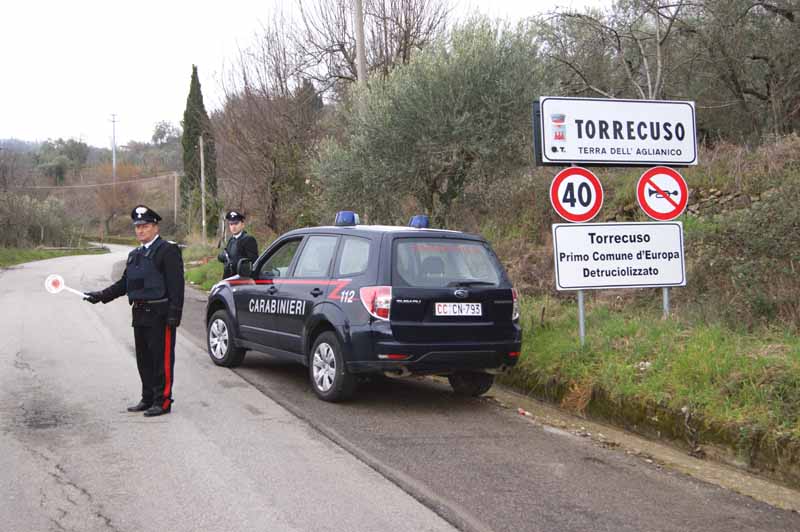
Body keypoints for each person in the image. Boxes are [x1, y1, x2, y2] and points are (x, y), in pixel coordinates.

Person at [84, 205, 184, 417]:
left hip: (160, 314)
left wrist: (174, 313)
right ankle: (147, 398)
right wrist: (101, 296)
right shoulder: (135, 255)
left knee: (161, 360)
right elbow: (125, 284)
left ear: (155, 227)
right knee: (144, 360)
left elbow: (177, 285)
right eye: (137, 227)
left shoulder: (167, 251)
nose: (140, 230)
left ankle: (162, 401)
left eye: (145, 226)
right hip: (139, 314)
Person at [218, 210, 258, 279]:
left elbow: (253, 262)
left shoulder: (248, 239)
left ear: (242, 225)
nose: (233, 227)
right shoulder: (231, 240)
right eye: (231, 224)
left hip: (241, 279)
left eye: (236, 223)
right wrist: (222, 257)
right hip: (229, 278)